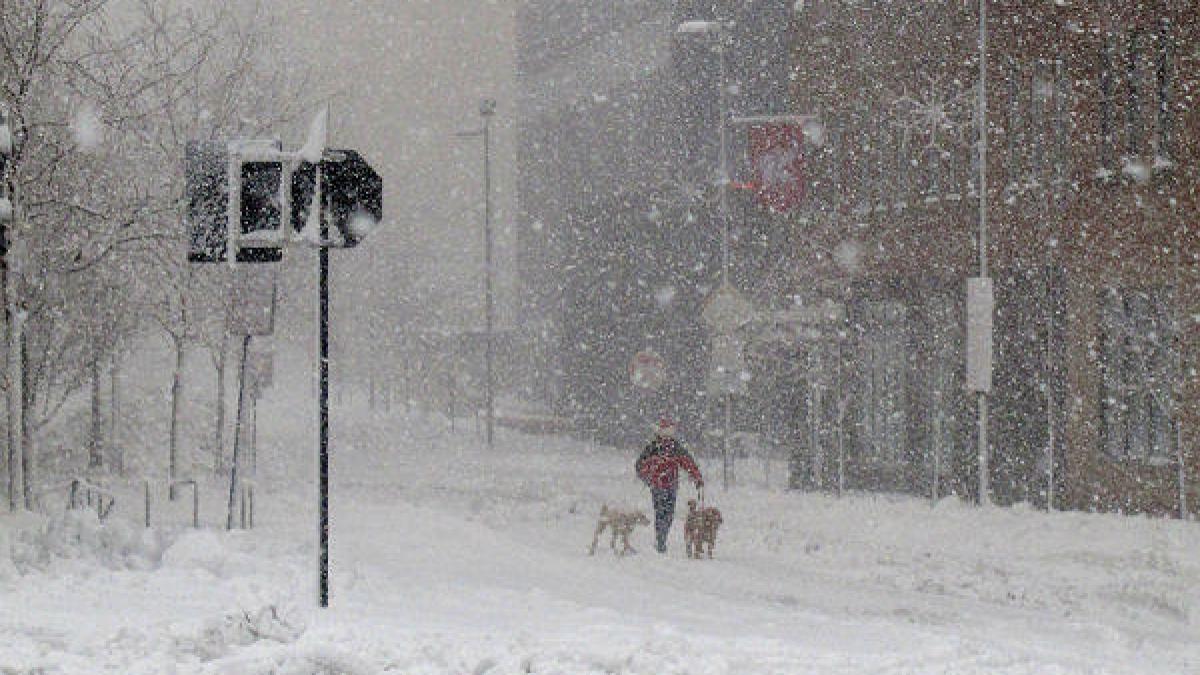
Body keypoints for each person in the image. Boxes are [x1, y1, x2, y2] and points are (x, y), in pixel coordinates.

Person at [635, 417, 703, 554]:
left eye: (670, 431)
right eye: (665, 431)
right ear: (660, 432)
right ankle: (661, 540)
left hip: (670, 485)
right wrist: (647, 477)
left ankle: (661, 538)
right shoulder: (653, 447)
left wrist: (697, 478)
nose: (667, 435)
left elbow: (688, 463)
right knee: (662, 513)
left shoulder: (675, 447)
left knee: (668, 514)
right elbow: (639, 465)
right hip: (658, 485)